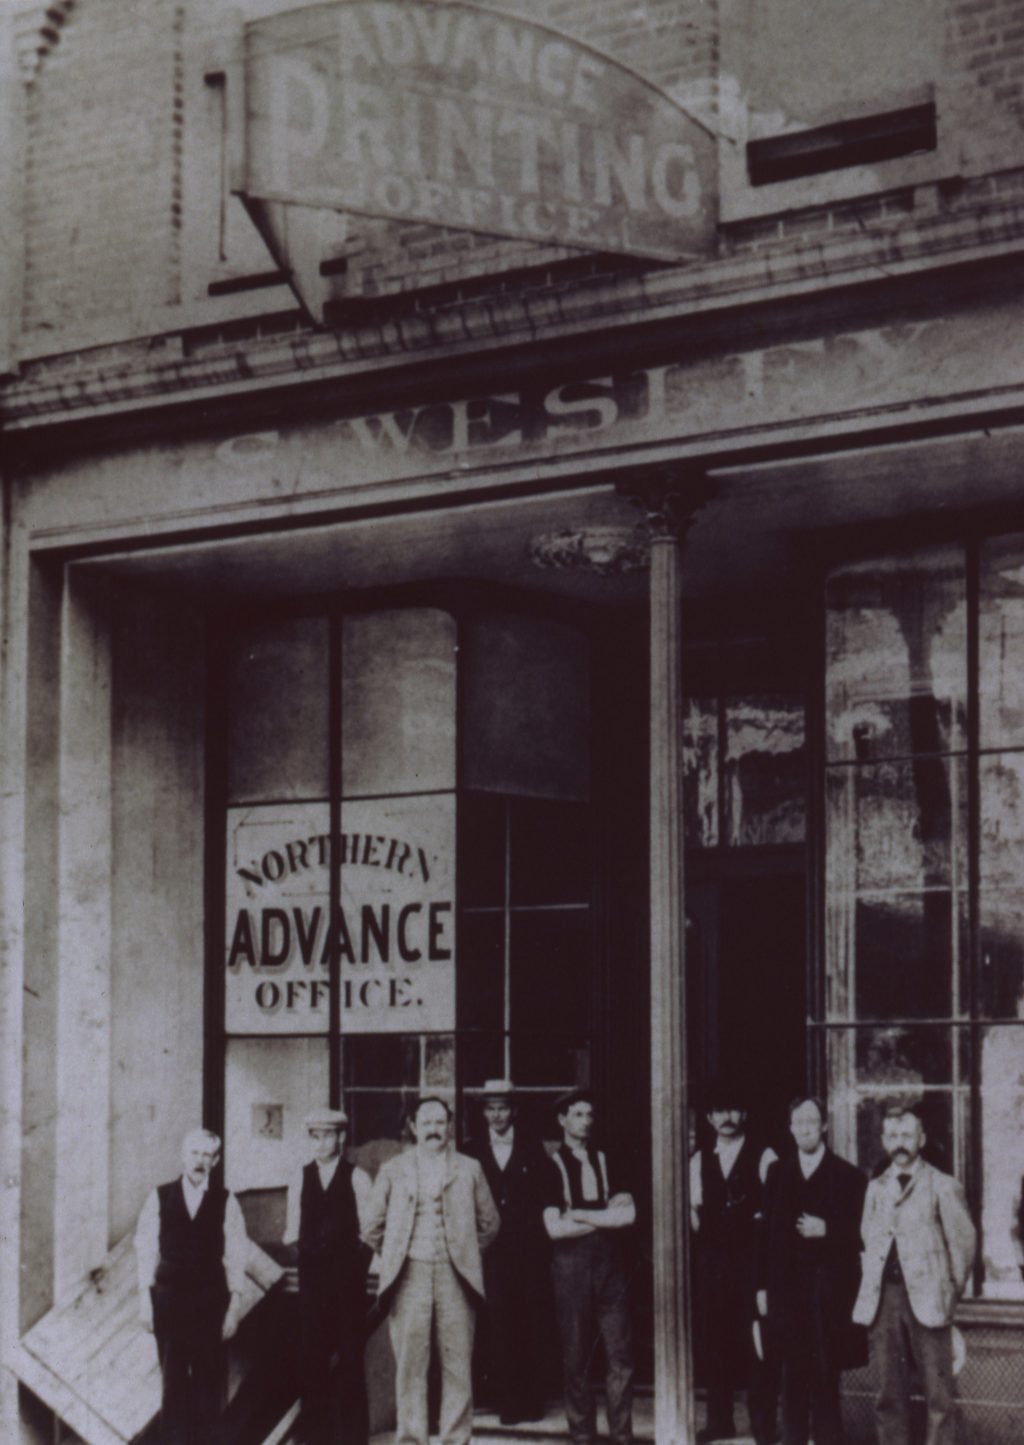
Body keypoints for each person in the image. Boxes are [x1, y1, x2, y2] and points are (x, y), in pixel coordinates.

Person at [361, 1095, 500, 1445]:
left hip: (457, 1277)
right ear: (413, 1127)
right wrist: (398, 1253)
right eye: (427, 1123)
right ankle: (411, 1440)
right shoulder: (394, 1169)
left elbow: (490, 1223)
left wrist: (463, 1252)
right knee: (410, 1365)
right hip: (409, 1277)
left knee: (457, 1366)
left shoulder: (469, 1168)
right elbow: (371, 1226)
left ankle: (456, 1439)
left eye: (440, 1122)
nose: (434, 1130)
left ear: (450, 1126)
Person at [853, 1102, 976, 1445]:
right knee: (889, 1393)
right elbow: (867, 1237)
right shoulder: (876, 1188)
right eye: (892, 1136)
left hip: (929, 1300)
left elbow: (962, 1246)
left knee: (939, 1395)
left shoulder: (942, 1185)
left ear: (921, 1138)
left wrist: (949, 1294)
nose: (900, 1143)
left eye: (907, 1134)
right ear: (883, 1141)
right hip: (885, 1300)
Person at [759, 1097, 867, 1445]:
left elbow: (864, 1234)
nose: (804, 1127)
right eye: (797, 1121)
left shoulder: (848, 1176)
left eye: (811, 1121)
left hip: (829, 1296)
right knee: (790, 1377)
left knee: (825, 1376)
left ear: (824, 1126)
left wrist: (829, 1229)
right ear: (790, 1127)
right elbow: (765, 1238)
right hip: (787, 1294)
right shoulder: (778, 1174)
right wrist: (762, 1289)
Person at [135, 1128, 250, 1445]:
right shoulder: (159, 1197)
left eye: (207, 1155)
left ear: (216, 1160)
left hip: (209, 1304)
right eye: (194, 1153)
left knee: (207, 1385)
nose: (200, 1161)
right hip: (169, 1303)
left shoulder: (226, 1202)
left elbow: (236, 1257)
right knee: (172, 1385)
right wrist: (145, 1302)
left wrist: (234, 1309)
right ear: (183, 1156)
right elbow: (145, 1251)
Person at [543, 1089, 636, 1445]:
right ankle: (582, 1433)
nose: (586, 1121)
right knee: (576, 1353)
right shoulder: (550, 1164)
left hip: (609, 1266)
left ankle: (622, 1433)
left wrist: (580, 1213)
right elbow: (555, 1228)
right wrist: (604, 1218)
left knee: (620, 1350)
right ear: (562, 1120)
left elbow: (628, 1216)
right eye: (578, 1114)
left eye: (589, 1114)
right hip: (571, 1267)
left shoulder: (606, 1158)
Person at [689, 1081, 778, 1445]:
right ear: (709, 1118)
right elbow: (694, 1214)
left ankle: (763, 1426)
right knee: (716, 1344)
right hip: (714, 1267)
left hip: (753, 1266)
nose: (727, 1118)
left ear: (745, 1114)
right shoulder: (698, 1159)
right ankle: (719, 1421)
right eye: (719, 1111)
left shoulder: (765, 1155)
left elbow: (775, 1215)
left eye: (734, 1110)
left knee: (759, 1345)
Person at [282, 1106, 372, 1445]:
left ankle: (353, 1439)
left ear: (342, 1138)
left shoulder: (358, 1178)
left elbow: (369, 1231)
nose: (321, 1144)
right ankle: (315, 1438)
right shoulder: (299, 1178)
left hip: (348, 1283)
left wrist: (352, 1269)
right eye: (315, 1137)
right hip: (312, 1282)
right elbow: (292, 1232)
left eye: (328, 1136)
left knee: (350, 1361)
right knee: (312, 1360)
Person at [463, 1079, 551, 1423]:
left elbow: (545, 1194)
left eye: (503, 1108)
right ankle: (508, 1402)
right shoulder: (471, 1151)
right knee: (498, 1324)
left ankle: (532, 1401)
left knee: (529, 1322)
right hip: (490, 1253)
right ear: (483, 1112)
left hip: (528, 1252)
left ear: (514, 1111)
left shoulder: (532, 1148)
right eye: (490, 1108)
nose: (497, 1115)